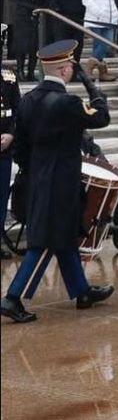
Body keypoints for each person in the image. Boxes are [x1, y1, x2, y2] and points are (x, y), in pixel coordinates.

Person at [0, 40, 113, 323]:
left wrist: (34, 170)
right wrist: (92, 89)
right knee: (47, 241)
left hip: (39, 177)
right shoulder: (67, 102)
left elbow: (20, 146)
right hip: (61, 179)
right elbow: (101, 117)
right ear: (64, 70)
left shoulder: (28, 100)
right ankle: (13, 298)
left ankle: (81, 291)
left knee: (62, 237)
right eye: (72, 68)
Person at [81, 0, 118, 82]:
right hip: (96, 18)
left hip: (111, 18)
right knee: (103, 44)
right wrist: (99, 11)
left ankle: (101, 71)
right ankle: (88, 68)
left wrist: (116, 12)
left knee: (102, 45)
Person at [13, 0, 47, 81]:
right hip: (23, 14)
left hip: (36, 13)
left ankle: (31, 71)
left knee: (34, 46)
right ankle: (20, 70)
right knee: (21, 45)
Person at [1, 34, 19, 260]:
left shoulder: (9, 76)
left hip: (3, 148)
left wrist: (11, 134)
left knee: (1, 196)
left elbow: (18, 110)